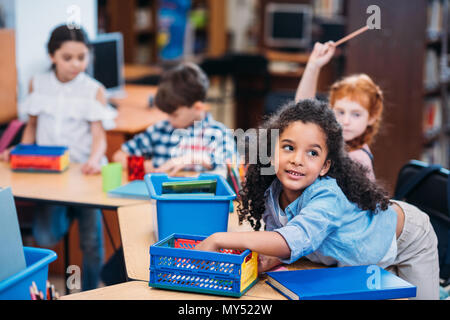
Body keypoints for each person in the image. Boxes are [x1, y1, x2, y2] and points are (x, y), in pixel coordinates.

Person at [195, 99, 440, 300]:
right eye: (288, 147)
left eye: (312, 153)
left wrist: (219, 239)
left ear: (325, 166)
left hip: (408, 238)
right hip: (362, 253)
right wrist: (269, 257)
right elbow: (281, 240)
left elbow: (291, 240)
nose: (298, 160)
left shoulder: (328, 196)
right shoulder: (272, 191)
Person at [0, 25, 116, 290]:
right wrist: (20, 151)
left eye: (82, 57)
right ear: (52, 56)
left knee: (91, 242)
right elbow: (31, 127)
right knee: (46, 234)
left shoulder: (94, 89)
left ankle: (88, 291)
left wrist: (95, 159)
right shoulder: (37, 83)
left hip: (84, 173)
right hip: (49, 174)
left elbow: (99, 136)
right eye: (68, 58)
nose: (76, 64)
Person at [112, 62, 237, 177]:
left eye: (175, 115)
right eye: (168, 114)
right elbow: (118, 156)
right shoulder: (160, 129)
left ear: (198, 107)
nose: (170, 120)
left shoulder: (219, 133)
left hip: (198, 199)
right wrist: (142, 166)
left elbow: (232, 171)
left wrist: (193, 157)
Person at [295, 41, 384, 180]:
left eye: (356, 114)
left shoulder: (358, 159)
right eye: (340, 112)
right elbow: (303, 109)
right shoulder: (334, 141)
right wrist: (313, 66)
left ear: (372, 117)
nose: (346, 121)